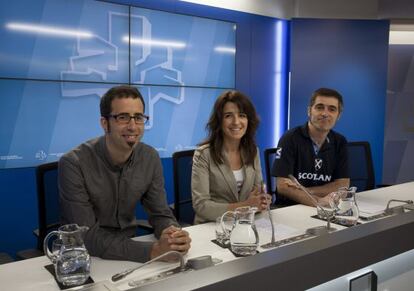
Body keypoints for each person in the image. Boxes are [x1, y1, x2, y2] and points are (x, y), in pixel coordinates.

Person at [58, 85, 191, 263]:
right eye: (122, 118)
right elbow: (87, 236)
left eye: (138, 117)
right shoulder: (74, 163)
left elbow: (160, 213)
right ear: (105, 124)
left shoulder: (149, 157)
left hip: (128, 251)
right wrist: (153, 251)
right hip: (85, 258)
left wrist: (173, 234)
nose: (132, 126)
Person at [191, 90, 271, 224]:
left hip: (246, 223)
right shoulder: (204, 154)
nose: (236, 122)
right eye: (228, 116)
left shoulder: (253, 151)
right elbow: (201, 206)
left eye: (242, 115)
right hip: (213, 226)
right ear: (219, 121)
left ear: (248, 120)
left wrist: (261, 200)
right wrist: (246, 205)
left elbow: (258, 191)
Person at [271, 87, 350, 206]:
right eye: (319, 107)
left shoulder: (340, 142)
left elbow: (343, 185)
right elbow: (283, 187)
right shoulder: (289, 138)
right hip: (291, 208)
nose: (325, 113)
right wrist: (318, 202)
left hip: (328, 206)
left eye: (332, 109)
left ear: (338, 115)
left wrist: (307, 191)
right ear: (309, 111)